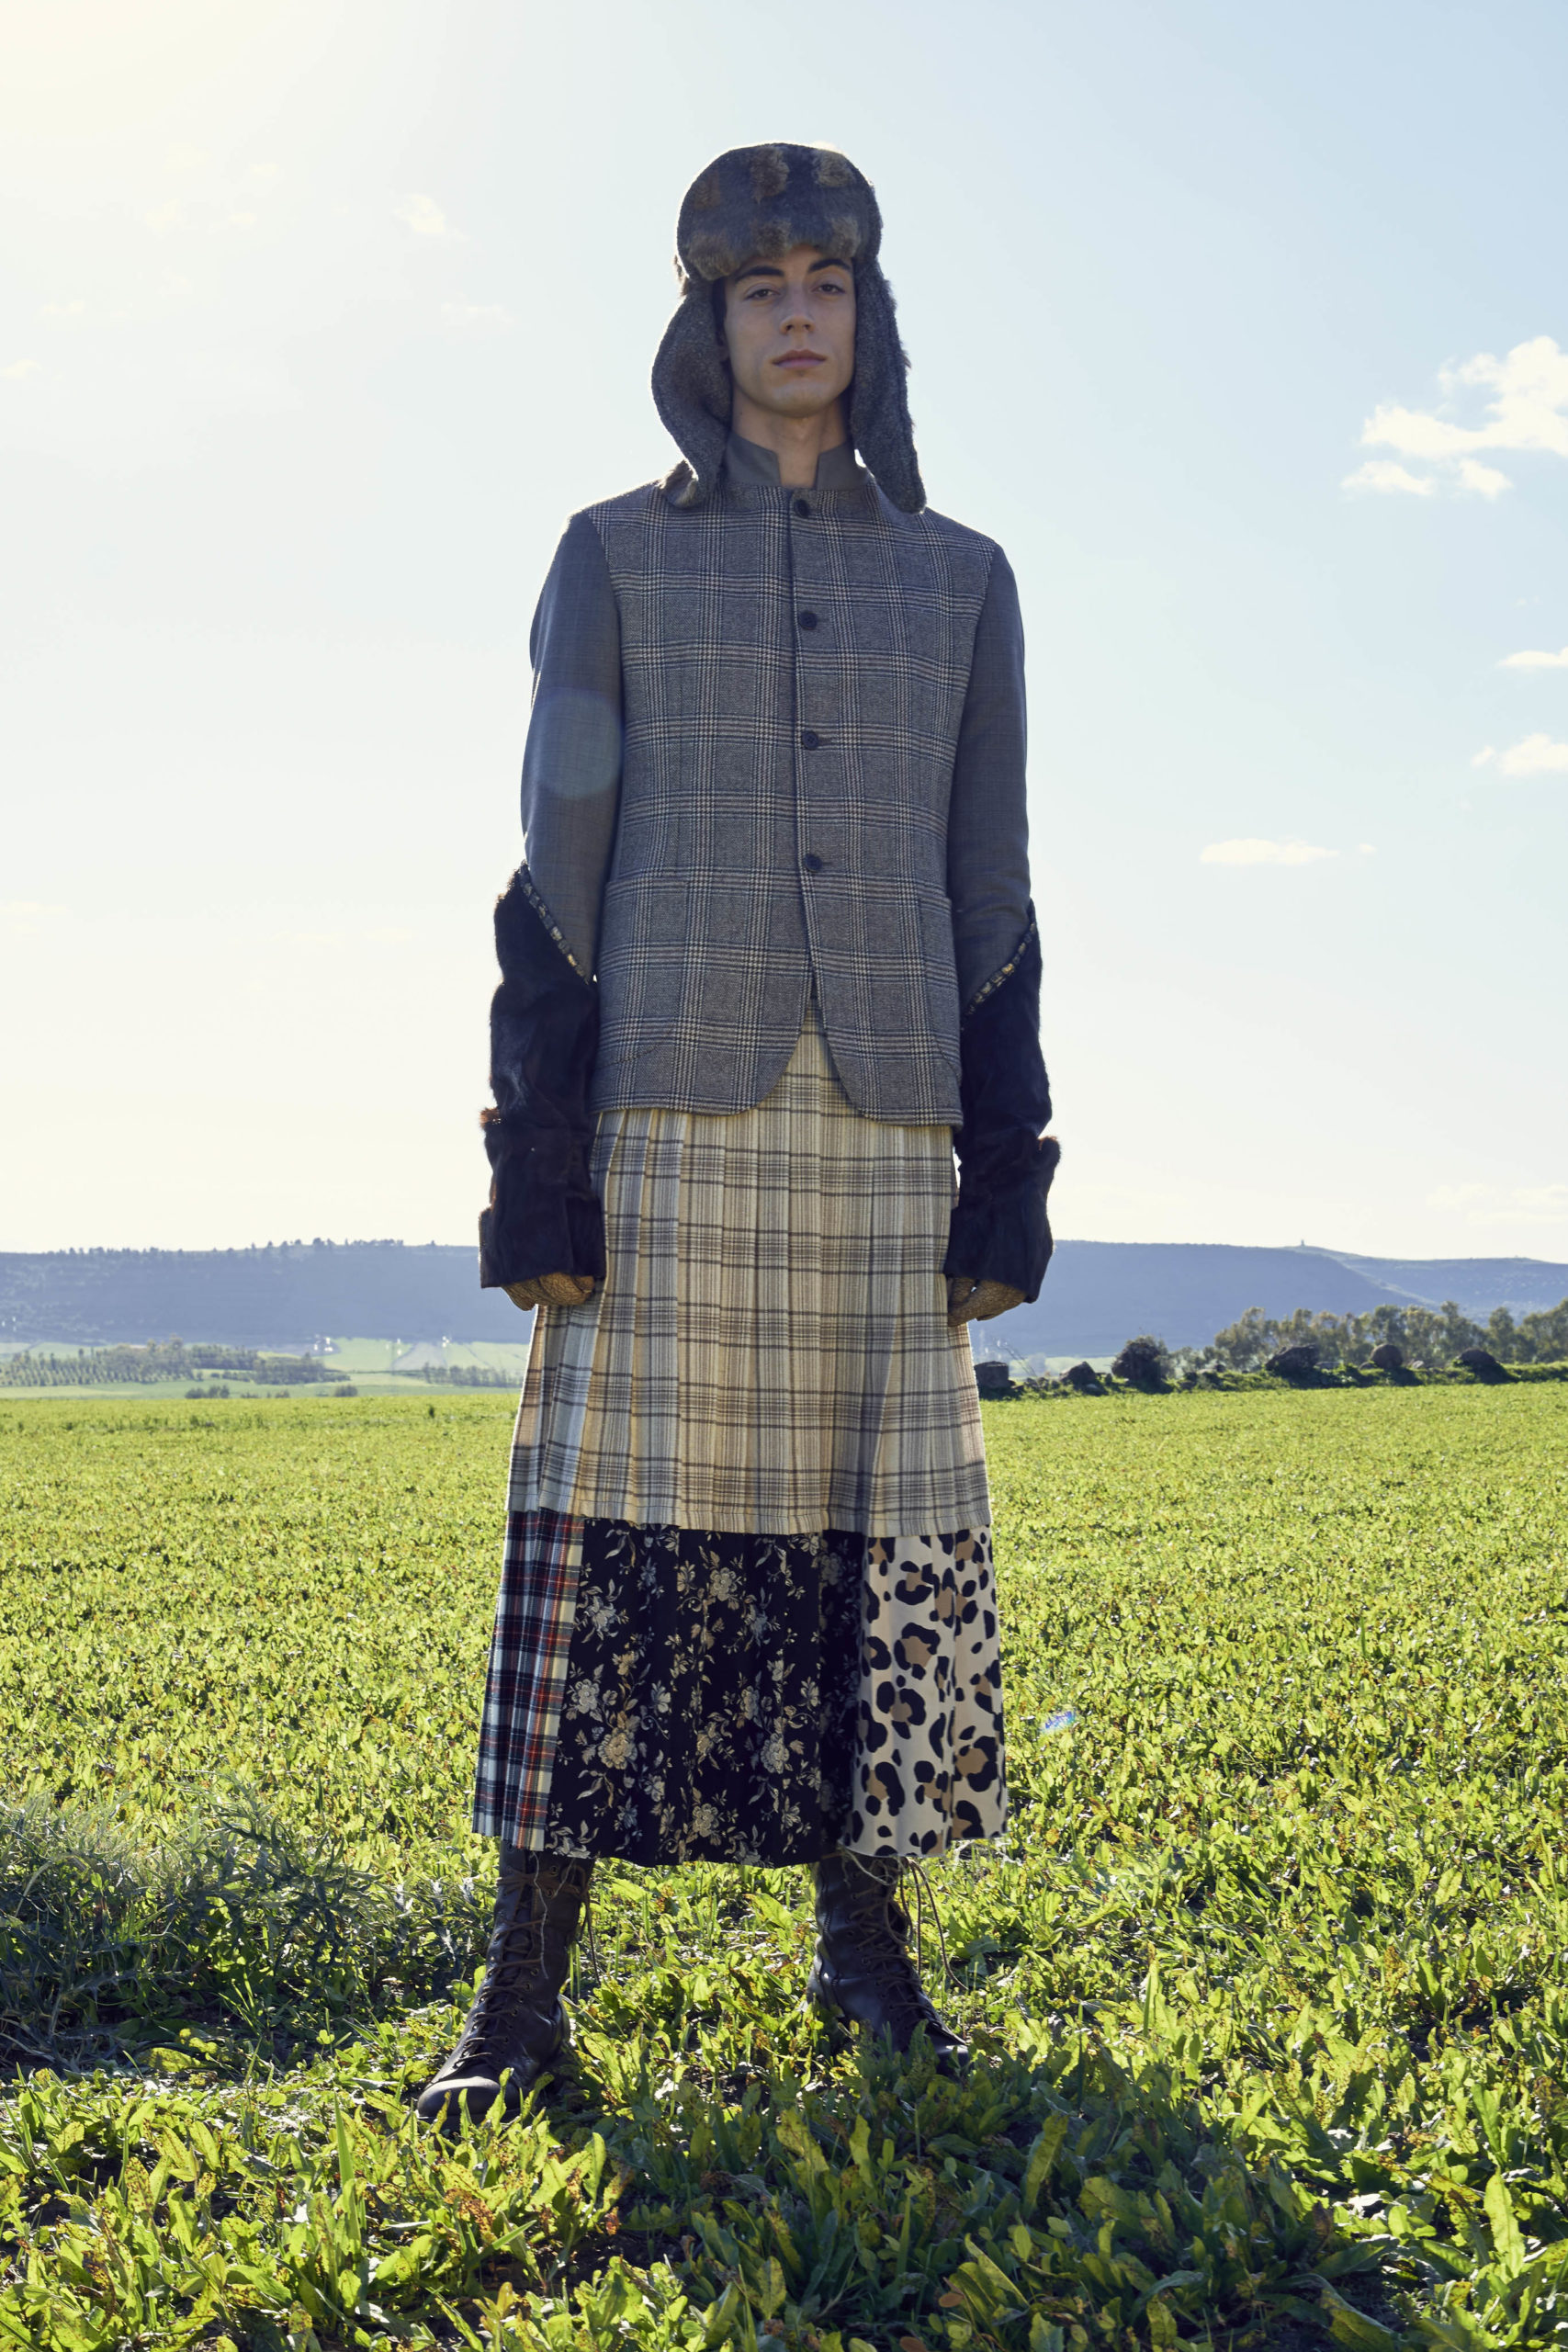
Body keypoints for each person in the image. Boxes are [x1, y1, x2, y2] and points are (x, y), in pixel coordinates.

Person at [418, 142, 1056, 2125]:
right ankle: (520, 2001)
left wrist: (1008, 1161)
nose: (796, 312)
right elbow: (555, 867)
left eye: (826, 281)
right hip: (662, 1111)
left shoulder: (961, 581)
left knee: (879, 1542)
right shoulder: (612, 554)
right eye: (758, 284)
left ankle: (867, 1960)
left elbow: (992, 882)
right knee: (598, 1544)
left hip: (885, 1115)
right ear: (706, 323)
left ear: (870, 316)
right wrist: (535, 1161)